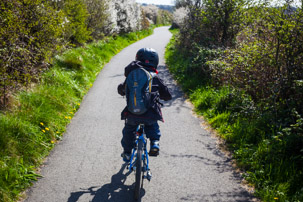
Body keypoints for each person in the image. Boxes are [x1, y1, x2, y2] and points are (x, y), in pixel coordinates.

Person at [117, 48, 172, 162]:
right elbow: (167, 94)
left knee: (129, 130)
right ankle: (154, 143)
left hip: (132, 113)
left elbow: (121, 89)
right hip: (150, 114)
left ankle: (127, 152)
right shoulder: (155, 77)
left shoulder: (132, 76)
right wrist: (165, 97)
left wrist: (124, 91)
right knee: (152, 125)